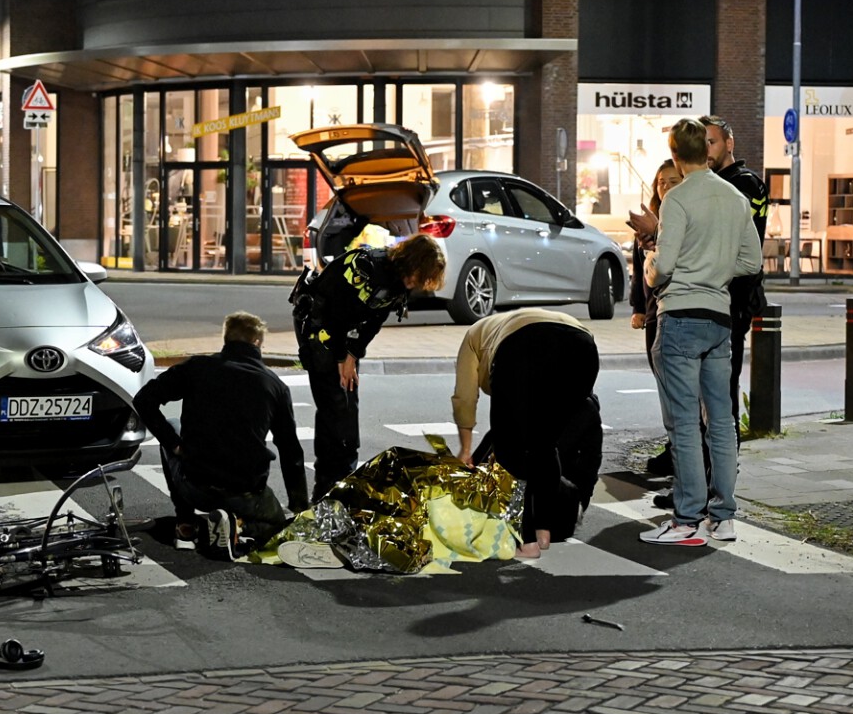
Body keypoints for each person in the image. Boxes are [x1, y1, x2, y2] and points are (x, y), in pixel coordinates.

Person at [637, 117, 762, 547]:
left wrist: (652, 266)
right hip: (720, 319)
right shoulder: (732, 197)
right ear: (705, 150)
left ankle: (687, 517)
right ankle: (724, 516)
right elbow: (752, 262)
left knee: (686, 424)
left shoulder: (677, 198)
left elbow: (664, 267)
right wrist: (717, 268)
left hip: (681, 316)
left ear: (675, 153)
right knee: (722, 422)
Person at [133, 311, 306, 557]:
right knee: (276, 527)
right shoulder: (275, 386)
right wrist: (299, 506)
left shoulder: (197, 368)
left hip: (197, 485)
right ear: (257, 342)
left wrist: (174, 444)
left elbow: (144, 400)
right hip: (246, 491)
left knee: (171, 426)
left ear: (226, 338)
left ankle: (187, 524)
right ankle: (238, 524)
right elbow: (290, 450)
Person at [291, 234, 448, 501]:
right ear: (411, 262)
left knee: (344, 409)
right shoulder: (367, 269)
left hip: (342, 338)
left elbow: (375, 318)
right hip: (318, 329)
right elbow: (334, 314)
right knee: (336, 409)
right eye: (419, 275)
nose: (417, 284)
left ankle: (337, 487)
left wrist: (353, 353)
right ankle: (327, 490)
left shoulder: (398, 280)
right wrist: (343, 356)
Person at [451, 308, 602, 559]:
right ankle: (543, 531)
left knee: (509, 451)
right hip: (583, 346)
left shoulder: (473, 337)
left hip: (523, 345)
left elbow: (465, 397)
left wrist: (465, 450)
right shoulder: (508, 322)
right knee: (544, 445)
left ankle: (526, 541)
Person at [701, 115, 769, 416]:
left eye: (711, 142)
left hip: (733, 297)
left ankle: (724, 456)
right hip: (712, 294)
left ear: (729, 143)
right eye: (700, 143)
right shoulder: (709, 182)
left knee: (723, 383)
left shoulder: (746, 183)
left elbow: (725, 235)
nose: (705, 149)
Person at [630, 159, 681, 478]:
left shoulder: (681, 220)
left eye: (674, 181)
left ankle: (680, 452)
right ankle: (673, 445)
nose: (666, 187)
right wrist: (637, 307)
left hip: (676, 311)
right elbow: (639, 272)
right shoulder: (651, 222)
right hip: (653, 314)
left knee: (679, 389)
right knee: (664, 385)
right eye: (662, 182)